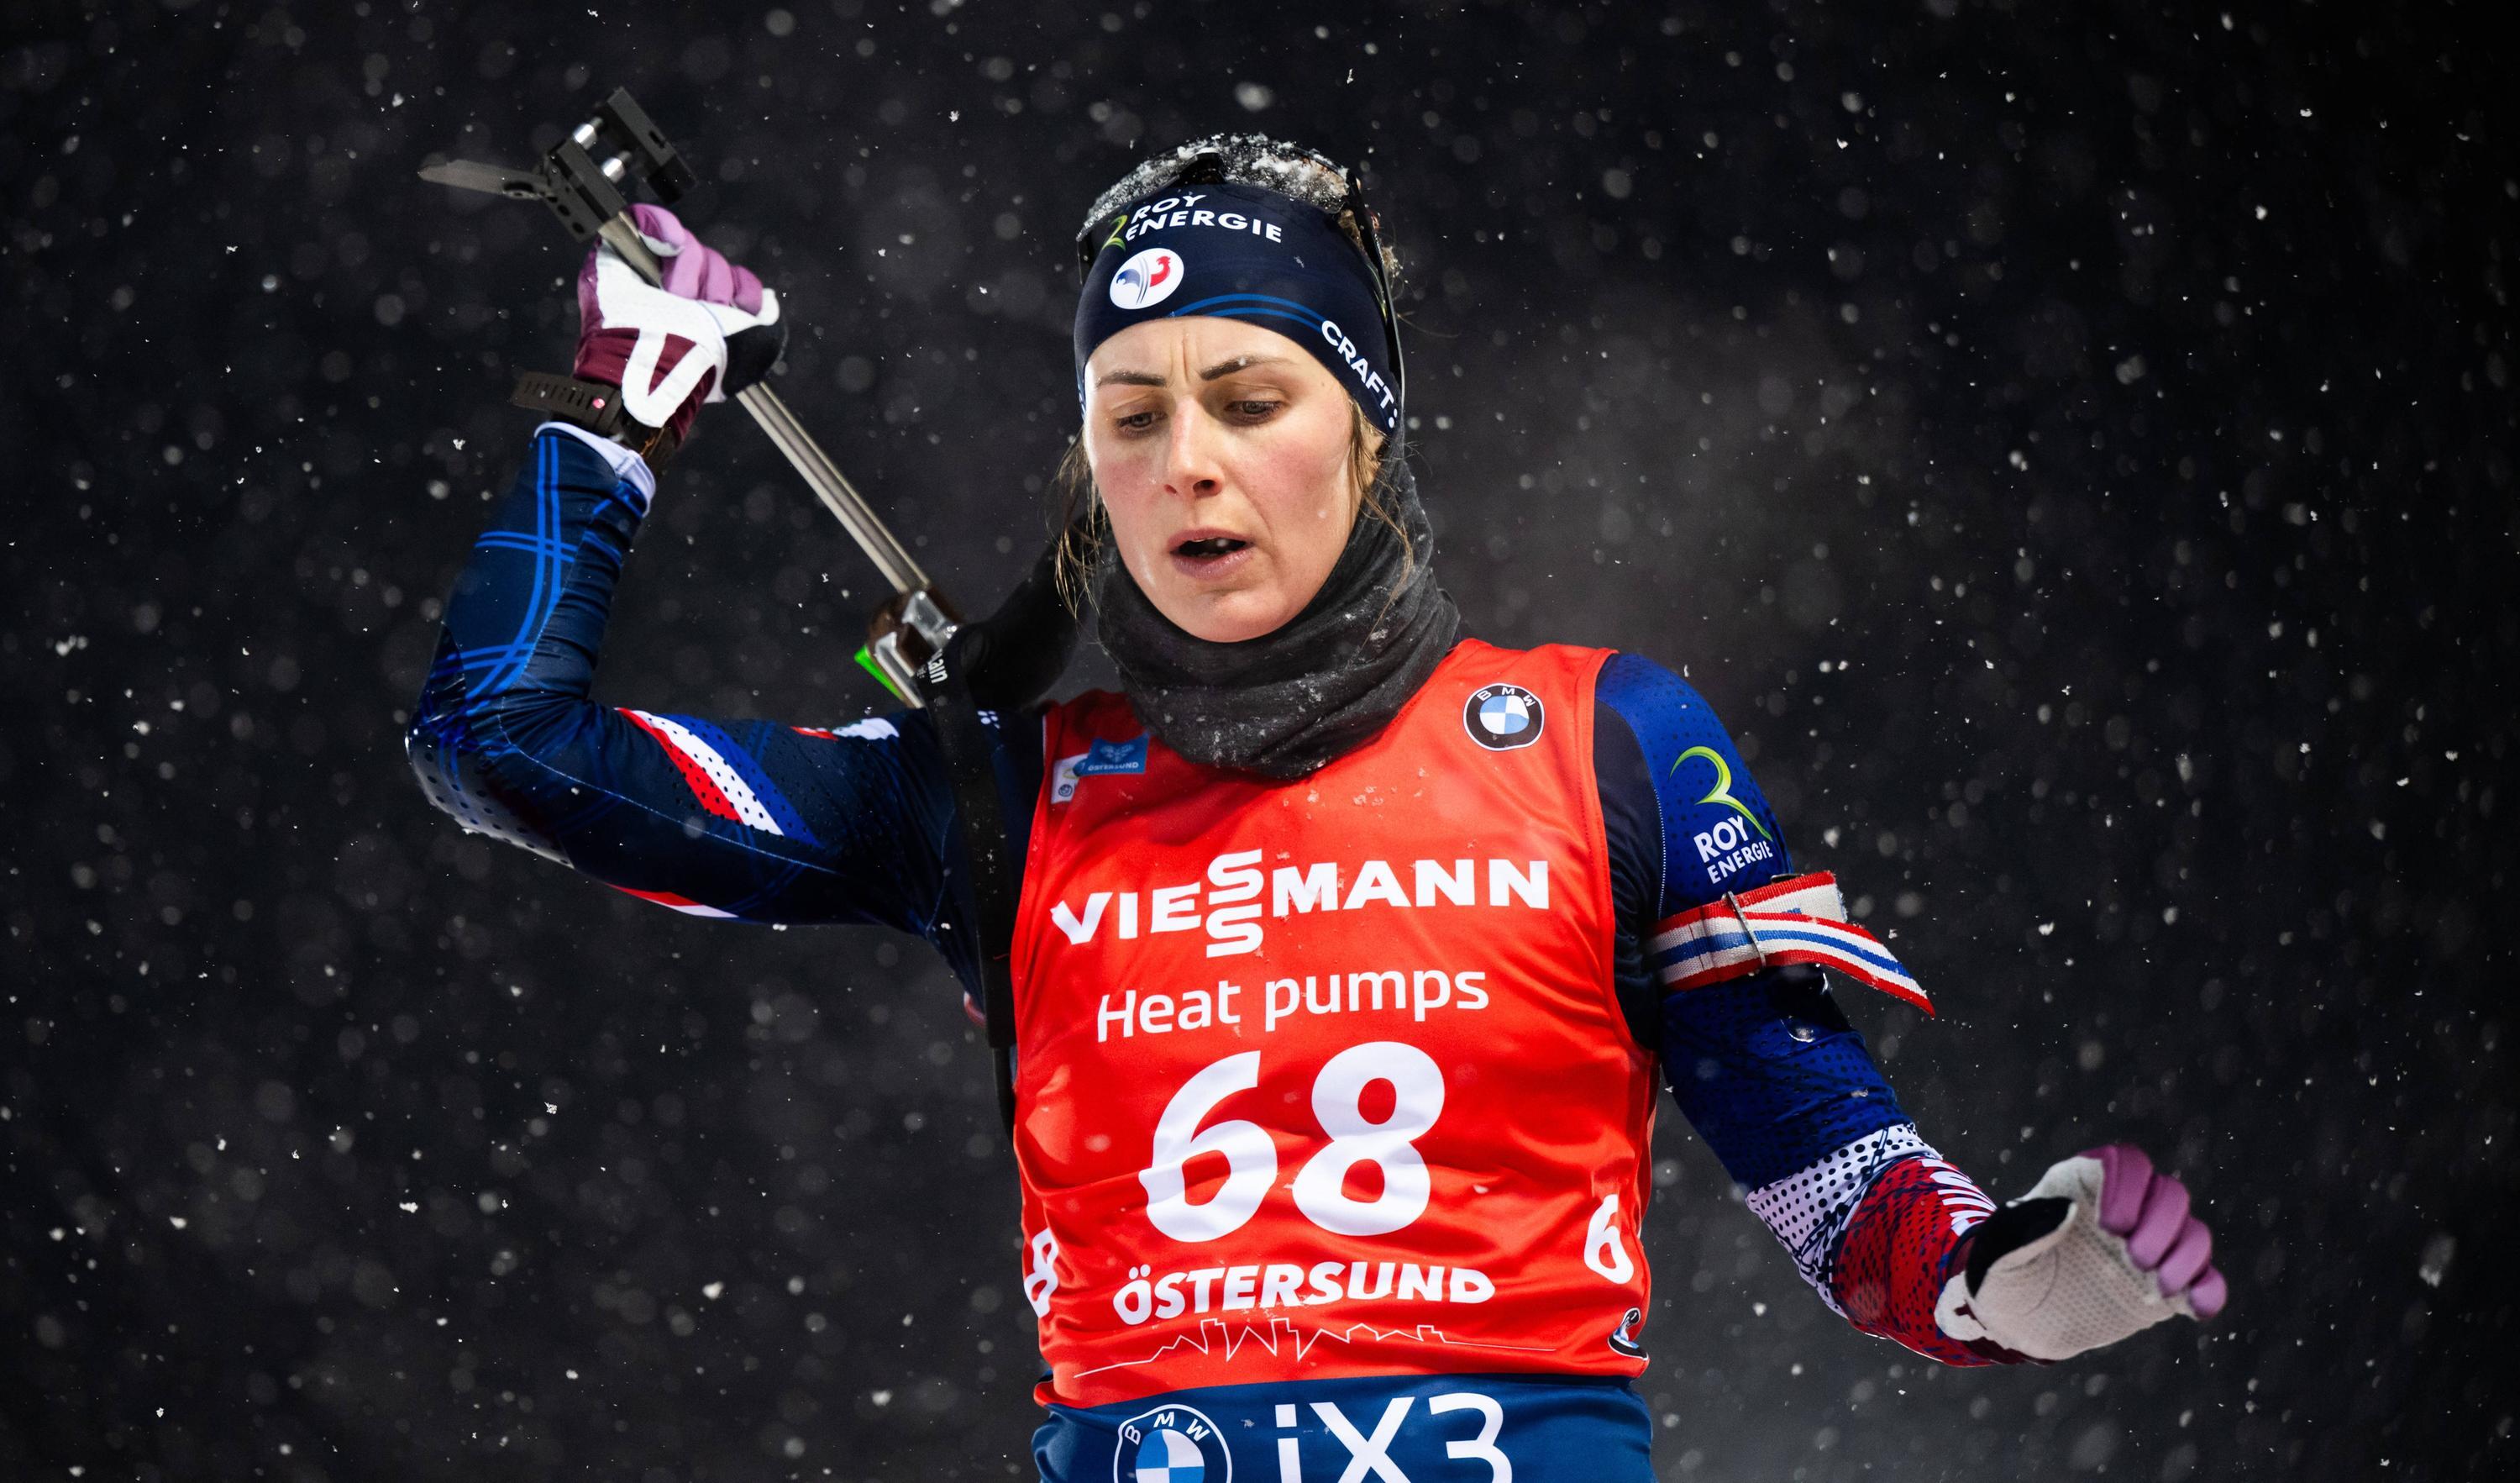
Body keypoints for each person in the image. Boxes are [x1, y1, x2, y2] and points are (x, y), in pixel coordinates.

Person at [408, 134, 2227, 1480]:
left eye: (1248, 395)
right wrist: (617, 417)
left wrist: (1992, 1279)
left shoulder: (1601, 741)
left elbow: (1831, 1174)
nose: (1186, 459)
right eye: (1130, 414)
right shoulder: (998, 790)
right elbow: (500, 742)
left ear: (1365, 430)